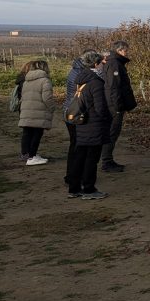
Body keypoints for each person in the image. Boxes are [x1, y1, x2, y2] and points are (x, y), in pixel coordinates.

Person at [67, 51, 112, 200]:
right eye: (100, 63)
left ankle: (74, 188)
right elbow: (100, 108)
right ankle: (89, 189)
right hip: (94, 124)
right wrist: (108, 118)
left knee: (79, 156)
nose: (102, 66)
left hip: (82, 123)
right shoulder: (96, 83)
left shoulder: (81, 79)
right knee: (92, 159)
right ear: (95, 64)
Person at [101, 40, 135, 172]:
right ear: (120, 50)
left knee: (113, 133)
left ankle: (108, 159)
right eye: (126, 50)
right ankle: (107, 161)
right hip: (114, 106)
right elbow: (113, 87)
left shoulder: (114, 62)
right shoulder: (114, 63)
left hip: (114, 104)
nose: (127, 53)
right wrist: (117, 106)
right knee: (112, 133)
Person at [63, 50, 95, 184]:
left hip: (70, 110)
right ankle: (75, 176)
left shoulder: (75, 70)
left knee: (75, 145)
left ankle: (72, 175)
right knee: (79, 147)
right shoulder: (82, 74)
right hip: (77, 112)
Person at [17, 60, 56, 165]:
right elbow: (47, 98)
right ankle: (32, 156)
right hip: (39, 111)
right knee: (37, 134)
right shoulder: (45, 81)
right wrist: (52, 108)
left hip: (26, 110)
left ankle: (25, 154)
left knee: (27, 133)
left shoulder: (26, 80)